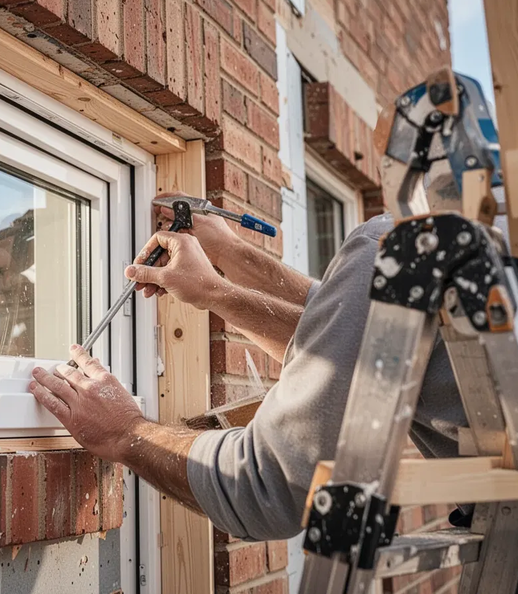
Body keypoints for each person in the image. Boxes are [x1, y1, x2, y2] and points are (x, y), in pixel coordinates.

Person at [27, 196, 466, 541]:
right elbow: (347, 332)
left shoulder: (403, 239)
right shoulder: (483, 246)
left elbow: (270, 484)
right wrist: (226, 264)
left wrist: (125, 431)